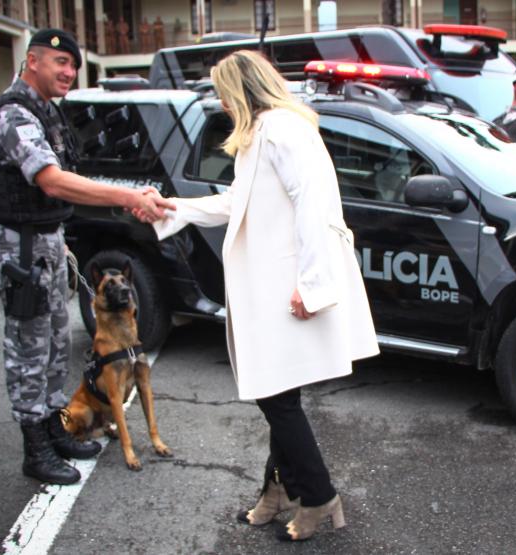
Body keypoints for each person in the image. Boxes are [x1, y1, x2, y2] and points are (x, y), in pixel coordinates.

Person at [148, 50, 379, 541]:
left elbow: (314, 204)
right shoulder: (263, 132)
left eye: (221, 93)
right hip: (274, 283)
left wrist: (313, 285)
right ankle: (276, 490)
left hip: (288, 285)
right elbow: (238, 201)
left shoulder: (283, 129)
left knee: (275, 395)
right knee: (279, 390)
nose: (220, 104)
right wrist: (177, 208)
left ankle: (318, 497)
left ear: (241, 90)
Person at [0, 29, 174, 486]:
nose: (68, 73)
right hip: (19, 249)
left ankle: (54, 429)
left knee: (54, 348)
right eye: (60, 62)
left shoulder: (45, 114)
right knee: (28, 350)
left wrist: (60, 240)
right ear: (32, 61)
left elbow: (52, 191)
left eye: (73, 66)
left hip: (45, 242)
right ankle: (36, 449)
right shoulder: (13, 116)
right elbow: (51, 181)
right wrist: (127, 197)